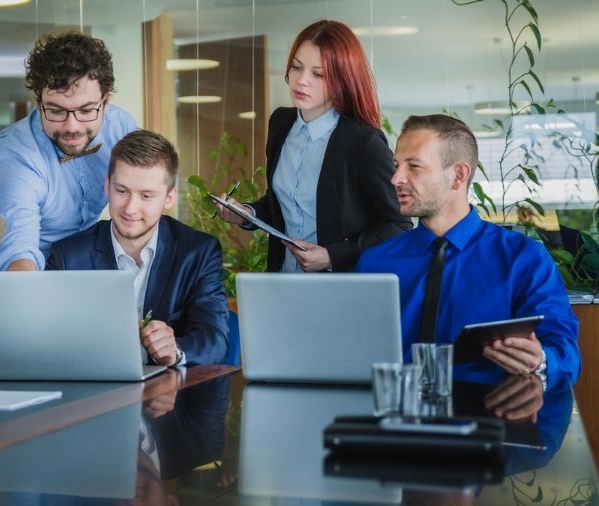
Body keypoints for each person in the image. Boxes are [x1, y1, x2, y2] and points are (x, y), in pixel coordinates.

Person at [356, 114, 580, 384]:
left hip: (492, 406)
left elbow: (566, 354)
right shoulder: (374, 263)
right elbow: (352, 351)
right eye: (396, 166)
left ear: (458, 175)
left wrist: (541, 359)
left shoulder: (522, 258)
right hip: (397, 407)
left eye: (413, 166)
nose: (396, 178)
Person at [215, 19, 410, 272]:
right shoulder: (281, 123)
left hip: (338, 285)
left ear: (342, 79)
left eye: (318, 74)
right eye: (297, 67)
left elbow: (399, 225)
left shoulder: (363, 142)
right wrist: (247, 213)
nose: (302, 80)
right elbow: (284, 204)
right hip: (284, 277)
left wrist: (332, 255)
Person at [0, 31, 138, 272]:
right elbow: (18, 254)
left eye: (86, 111)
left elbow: (147, 194)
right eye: (56, 111)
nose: (72, 127)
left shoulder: (120, 128)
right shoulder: (16, 155)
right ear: (38, 101)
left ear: (106, 101)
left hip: (60, 271)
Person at [47, 130, 229, 366]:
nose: (130, 208)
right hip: (93, 385)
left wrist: (176, 350)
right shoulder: (67, 257)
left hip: (171, 387)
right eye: (122, 191)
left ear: (169, 197)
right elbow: (49, 340)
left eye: (146, 195)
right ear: (107, 186)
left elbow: (214, 338)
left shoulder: (198, 252)